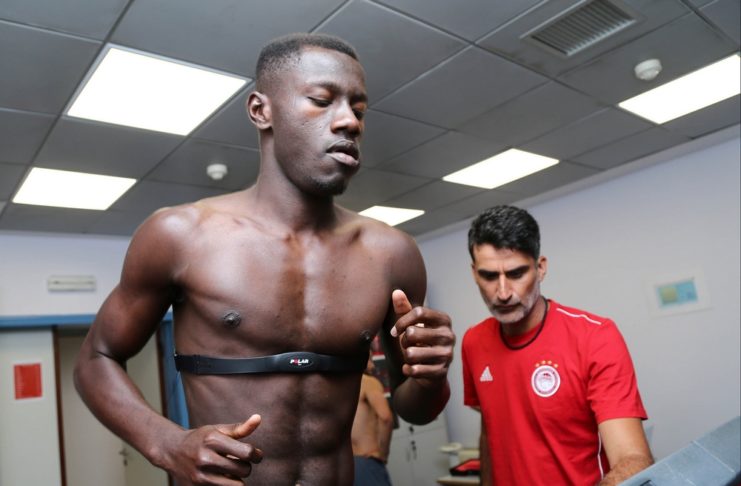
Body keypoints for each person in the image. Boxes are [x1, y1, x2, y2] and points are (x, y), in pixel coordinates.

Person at [74, 33, 454, 486]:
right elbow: (95, 359)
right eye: (322, 100)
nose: (349, 121)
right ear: (261, 110)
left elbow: (416, 411)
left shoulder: (393, 254)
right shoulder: (181, 235)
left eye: (359, 109)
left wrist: (431, 378)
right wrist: (167, 443)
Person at [461, 205, 653, 486]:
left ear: (540, 268)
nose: (502, 293)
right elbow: (491, 431)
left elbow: (633, 459)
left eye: (516, 274)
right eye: (489, 276)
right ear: (474, 273)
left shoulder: (595, 336)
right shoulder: (473, 342)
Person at [351, 353, 394, 486]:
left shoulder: (340, 388)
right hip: (368, 460)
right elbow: (385, 417)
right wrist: (383, 454)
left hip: (348, 465)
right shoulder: (368, 382)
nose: (373, 366)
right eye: (369, 359)